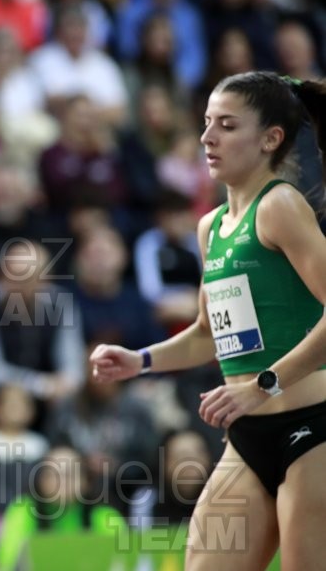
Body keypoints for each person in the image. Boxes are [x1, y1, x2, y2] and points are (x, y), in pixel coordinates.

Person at [91, 71, 326, 570]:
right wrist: (141, 360)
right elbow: (206, 335)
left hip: (314, 431)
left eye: (226, 125)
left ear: (270, 139)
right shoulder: (210, 227)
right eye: (205, 123)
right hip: (246, 436)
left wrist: (264, 384)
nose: (207, 138)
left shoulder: (281, 206)